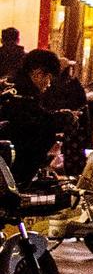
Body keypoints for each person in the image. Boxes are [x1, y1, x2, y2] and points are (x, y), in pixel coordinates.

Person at [0, 49, 67, 187]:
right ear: (38, 74)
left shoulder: (16, 86)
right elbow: (31, 126)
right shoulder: (21, 93)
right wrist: (60, 119)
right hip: (13, 168)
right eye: (48, 77)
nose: (49, 84)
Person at [43, 60, 89, 177]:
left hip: (54, 124)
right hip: (73, 127)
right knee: (72, 159)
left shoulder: (50, 84)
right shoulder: (74, 84)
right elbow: (83, 104)